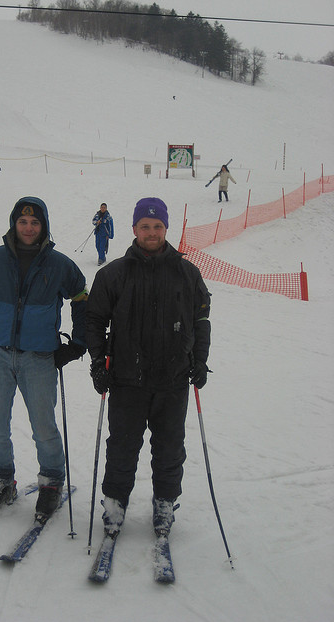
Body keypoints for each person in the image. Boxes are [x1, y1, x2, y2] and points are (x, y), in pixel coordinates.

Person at [0, 196, 88, 522]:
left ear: (44, 226)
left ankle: (51, 482)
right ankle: (1, 480)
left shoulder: (59, 264)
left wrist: (78, 344)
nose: (28, 228)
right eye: (23, 222)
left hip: (39, 357)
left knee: (43, 426)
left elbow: (83, 300)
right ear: (14, 224)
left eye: (35, 222)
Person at [85, 197, 211, 541]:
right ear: (134, 229)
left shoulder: (187, 272)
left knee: (170, 447)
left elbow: (201, 319)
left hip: (173, 379)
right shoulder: (113, 274)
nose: (151, 232)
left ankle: (165, 503)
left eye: (157, 226)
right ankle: (115, 503)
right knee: (122, 446)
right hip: (127, 379)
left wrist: (200, 359)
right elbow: (93, 320)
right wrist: (97, 361)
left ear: (166, 228)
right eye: (145, 226)